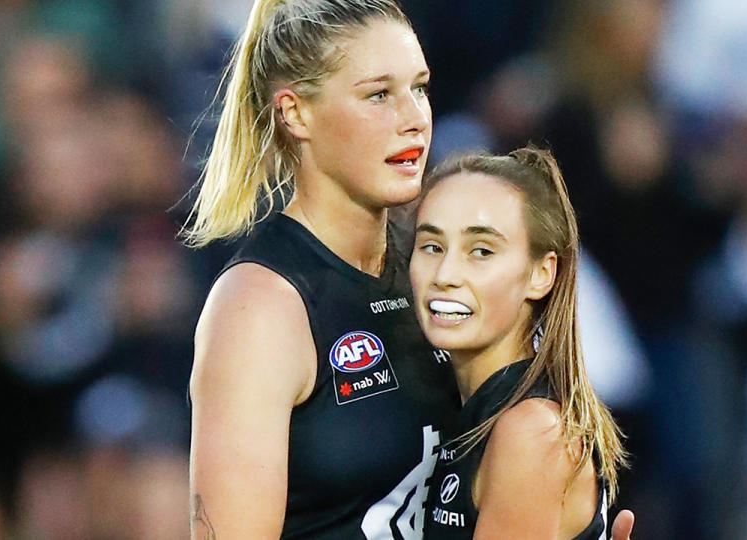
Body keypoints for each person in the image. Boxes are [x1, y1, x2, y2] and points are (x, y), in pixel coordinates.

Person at [185, 0, 636, 538]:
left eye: (419, 88)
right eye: (379, 95)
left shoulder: (435, 269)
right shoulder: (260, 306)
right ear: (295, 113)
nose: (414, 118)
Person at [410, 146, 628, 539]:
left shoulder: (530, 434)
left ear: (541, 274)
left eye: (481, 251)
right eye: (432, 246)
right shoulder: (464, 408)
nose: (445, 274)